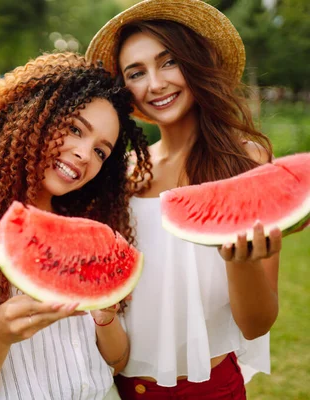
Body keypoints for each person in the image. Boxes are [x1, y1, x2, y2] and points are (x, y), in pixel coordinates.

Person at [85, 0, 281, 398]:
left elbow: (257, 324)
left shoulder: (247, 163)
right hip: (122, 387)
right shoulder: (121, 173)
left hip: (211, 388)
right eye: (136, 72)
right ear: (126, 91)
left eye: (168, 62)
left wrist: (238, 261)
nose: (155, 83)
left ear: (194, 63)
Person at [0, 52, 151, 400]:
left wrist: (105, 315)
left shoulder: (89, 231)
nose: (83, 154)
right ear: (34, 117)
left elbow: (117, 360)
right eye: (75, 129)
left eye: (101, 152)